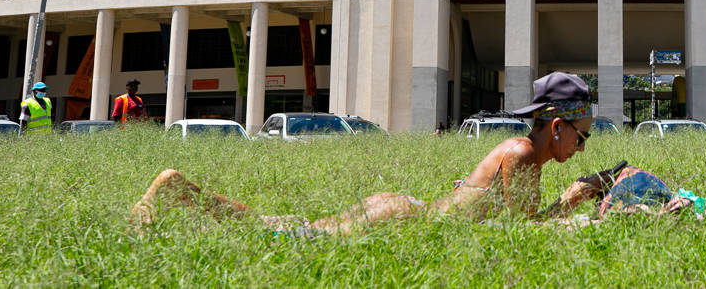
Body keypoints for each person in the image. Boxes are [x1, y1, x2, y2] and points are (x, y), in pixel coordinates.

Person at [131, 72, 604, 235]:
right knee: (285, 235)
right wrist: (574, 199)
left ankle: (182, 192)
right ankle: (176, 187)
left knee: (286, 229)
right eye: (580, 137)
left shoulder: (523, 154)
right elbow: (517, 234)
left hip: (402, 211)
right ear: (557, 126)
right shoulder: (522, 152)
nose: (581, 148)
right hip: (401, 219)